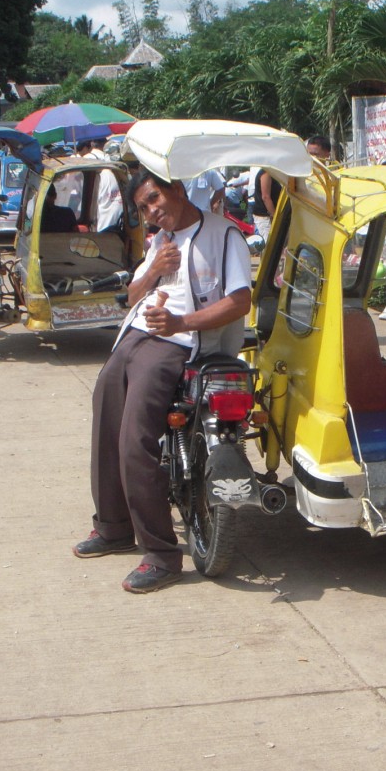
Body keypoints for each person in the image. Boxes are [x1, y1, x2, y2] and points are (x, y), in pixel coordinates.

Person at [73, 169, 252, 594]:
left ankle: (161, 554)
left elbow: (240, 299)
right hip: (137, 333)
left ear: (177, 188)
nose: (152, 212)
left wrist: (179, 323)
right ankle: (114, 527)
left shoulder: (224, 234)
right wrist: (154, 269)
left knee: (136, 436)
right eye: (143, 208)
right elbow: (133, 296)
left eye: (155, 199)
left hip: (180, 342)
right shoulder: (158, 241)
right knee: (104, 412)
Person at [250, 168, 282, 245]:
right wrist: (274, 216)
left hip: (268, 215)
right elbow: (265, 197)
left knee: (274, 243)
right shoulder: (266, 173)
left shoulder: (271, 173)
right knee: (269, 244)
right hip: (265, 216)